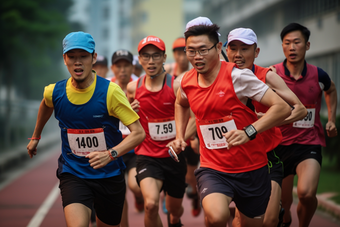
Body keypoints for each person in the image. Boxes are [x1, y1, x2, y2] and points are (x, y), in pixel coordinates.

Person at [168, 16, 292, 227]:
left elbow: (282, 107)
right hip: (213, 168)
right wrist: (180, 136)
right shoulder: (186, 82)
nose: (197, 56)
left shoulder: (239, 77)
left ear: (218, 48)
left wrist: (249, 132)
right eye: (191, 51)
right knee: (217, 216)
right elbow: (180, 103)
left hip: (251, 168)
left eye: (203, 50)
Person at [26, 31, 145, 227]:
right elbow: (46, 104)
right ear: (65, 59)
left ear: (94, 58)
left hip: (108, 175)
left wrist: (110, 154)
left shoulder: (110, 92)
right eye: (72, 57)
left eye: (83, 57)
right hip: (73, 172)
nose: (77, 62)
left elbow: (139, 133)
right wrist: (35, 136)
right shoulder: (54, 91)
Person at [225, 27, 307, 227]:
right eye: (233, 48)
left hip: (266, 156)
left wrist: (264, 121)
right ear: (225, 50)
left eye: (245, 49)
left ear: (256, 52)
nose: (238, 54)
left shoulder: (268, 76)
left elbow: (300, 110)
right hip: (232, 158)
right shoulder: (219, 78)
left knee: (269, 221)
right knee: (238, 220)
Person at [270, 23, 338, 227]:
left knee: (307, 194)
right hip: (279, 145)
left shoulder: (319, 76)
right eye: (287, 43)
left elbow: (331, 90)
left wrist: (332, 119)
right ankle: (286, 218)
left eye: (297, 42)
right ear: (282, 46)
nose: (292, 47)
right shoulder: (272, 75)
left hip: (308, 144)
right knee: (284, 203)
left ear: (307, 46)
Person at [126, 35, 187, 227]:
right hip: (147, 156)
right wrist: (130, 114)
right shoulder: (132, 88)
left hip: (174, 156)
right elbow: (128, 124)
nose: (150, 61)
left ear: (164, 57)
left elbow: (193, 118)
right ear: (140, 59)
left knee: (175, 211)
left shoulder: (176, 85)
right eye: (145, 56)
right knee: (151, 205)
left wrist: (180, 138)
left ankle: (176, 221)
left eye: (155, 56)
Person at [163, 37, 201, 217]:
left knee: (192, 173)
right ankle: (168, 196)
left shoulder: (197, 71)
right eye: (177, 53)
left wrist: (192, 138)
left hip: (193, 128)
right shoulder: (169, 72)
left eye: (184, 52)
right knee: (181, 171)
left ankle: (194, 194)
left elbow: (196, 111)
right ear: (174, 55)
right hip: (175, 127)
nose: (181, 56)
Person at [110, 49, 144, 227]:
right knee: (118, 195)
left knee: (135, 185)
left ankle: (139, 197)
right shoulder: (106, 87)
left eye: (126, 66)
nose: (122, 70)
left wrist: (140, 109)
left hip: (134, 148)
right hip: (113, 149)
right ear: (112, 68)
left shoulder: (140, 86)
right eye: (118, 66)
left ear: (133, 67)